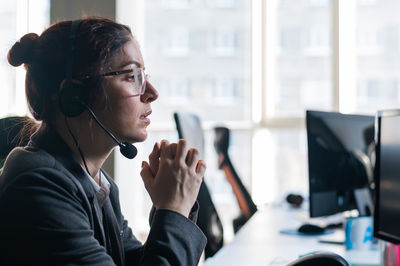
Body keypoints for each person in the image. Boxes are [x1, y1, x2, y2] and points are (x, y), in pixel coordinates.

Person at [0, 17, 207, 265]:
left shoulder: (95, 182)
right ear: (76, 95)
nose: (152, 92)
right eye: (131, 76)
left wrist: (174, 206)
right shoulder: (37, 186)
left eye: (144, 75)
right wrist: (173, 210)